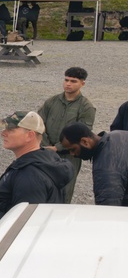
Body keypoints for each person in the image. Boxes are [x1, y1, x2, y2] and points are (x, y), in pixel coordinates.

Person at [0, 111, 73, 227]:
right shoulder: (48, 159)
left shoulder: (29, 176)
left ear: (30, 135)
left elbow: (25, 225)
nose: (3, 133)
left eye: (10, 130)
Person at [37, 66, 95, 203]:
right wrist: (46, 146)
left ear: (82, 83)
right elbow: (38, 124)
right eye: (66, 80)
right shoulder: (51, 101)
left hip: (70, 156)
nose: (68, 84)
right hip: (46, 153)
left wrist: (58, 147)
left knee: (64, 192)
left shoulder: (86, 107)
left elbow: (83, 133)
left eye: (73, 81)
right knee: (42, 188)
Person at [59, 123, 128, 206]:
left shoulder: (105, 167)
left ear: (85, 141)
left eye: (73, 149)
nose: (72, 154)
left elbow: (109, 207)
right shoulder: (118, 134)